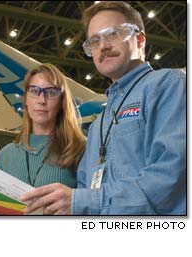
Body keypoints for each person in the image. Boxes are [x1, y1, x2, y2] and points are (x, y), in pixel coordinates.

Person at [21, 1, 186, 215]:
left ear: (140, 39)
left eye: (113, 34)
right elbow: (85, 184)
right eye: (94, 40)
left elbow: (170, 176)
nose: (103, 46)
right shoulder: (102, 120)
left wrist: (81, 202)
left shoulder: (169, 85)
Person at [0, 64, 85, 215]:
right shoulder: (6, 154)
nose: (42, 100)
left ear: (61, 102)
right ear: (26, 99)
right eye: (34, 91)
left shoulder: (79, 148)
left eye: (51, 92)